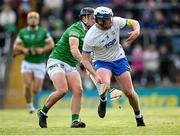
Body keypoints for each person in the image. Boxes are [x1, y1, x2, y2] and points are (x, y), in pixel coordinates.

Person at [82, 6, 145, 127]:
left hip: (119, 59)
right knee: (105, 84)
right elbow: (85, 60)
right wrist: (95, 75)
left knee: (129, 92)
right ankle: (103, 100)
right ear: (99, 21)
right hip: (102, 61)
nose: (111, 22)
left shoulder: (115, 21)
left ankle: (138, 116)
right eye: (107, 20)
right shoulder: (90, 36)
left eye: (110, 18)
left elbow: (134, 22)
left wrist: (137, 30)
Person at [37, 7, 95, 128]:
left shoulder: (91, 32)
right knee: (62, 90)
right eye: (92, 17)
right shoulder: (75, 29)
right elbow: (73, 49)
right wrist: (83, 62)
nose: (95, 19)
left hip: (70, 64)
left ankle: (75, 121)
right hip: (57, 61)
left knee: (78, 91)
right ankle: (43, 113)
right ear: (84, 18)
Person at [13, 11, 54, 113]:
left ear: (38, 20)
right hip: (27, 63)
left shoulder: (43, 32)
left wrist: (42, 49)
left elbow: (51, 44)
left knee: (36, 90)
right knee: (27, 85)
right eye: (31, 18)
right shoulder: (22, 32)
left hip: (39, 63)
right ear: (27, 20)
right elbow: (16, 46)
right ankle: (30, 105)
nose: (33, 20)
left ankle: (33, 102)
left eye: (35, 18)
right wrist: (24, 50)